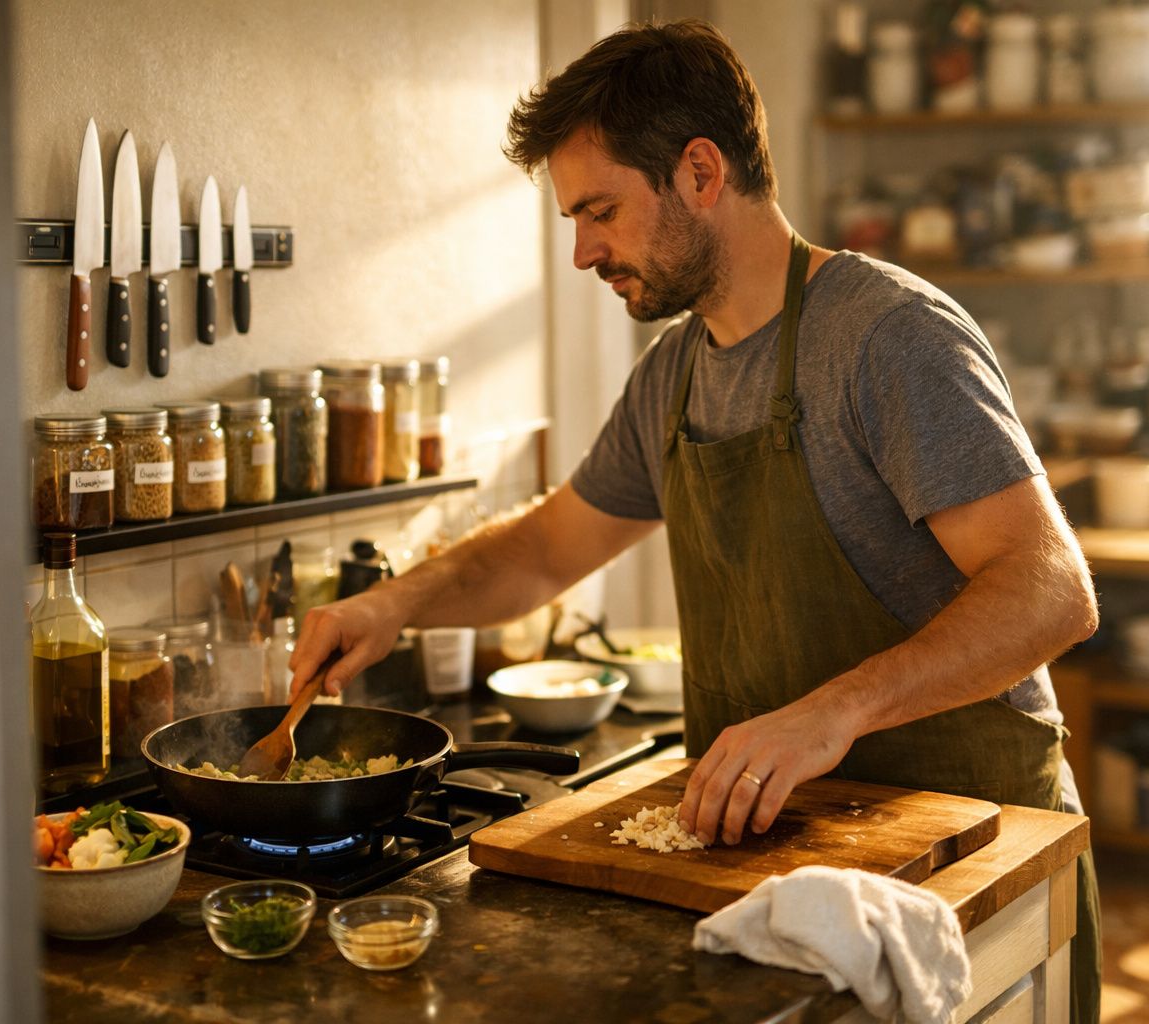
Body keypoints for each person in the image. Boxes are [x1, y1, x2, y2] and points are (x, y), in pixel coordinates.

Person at [289, 20, 1100, 1023]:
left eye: (601, 212)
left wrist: (830, 713)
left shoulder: (885, 337)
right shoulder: (671, 376)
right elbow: (549, 546)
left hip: (968, 865)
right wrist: (392, 605)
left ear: (702, 172)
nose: (584, 251)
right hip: (778, 874)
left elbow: (1052, 592)